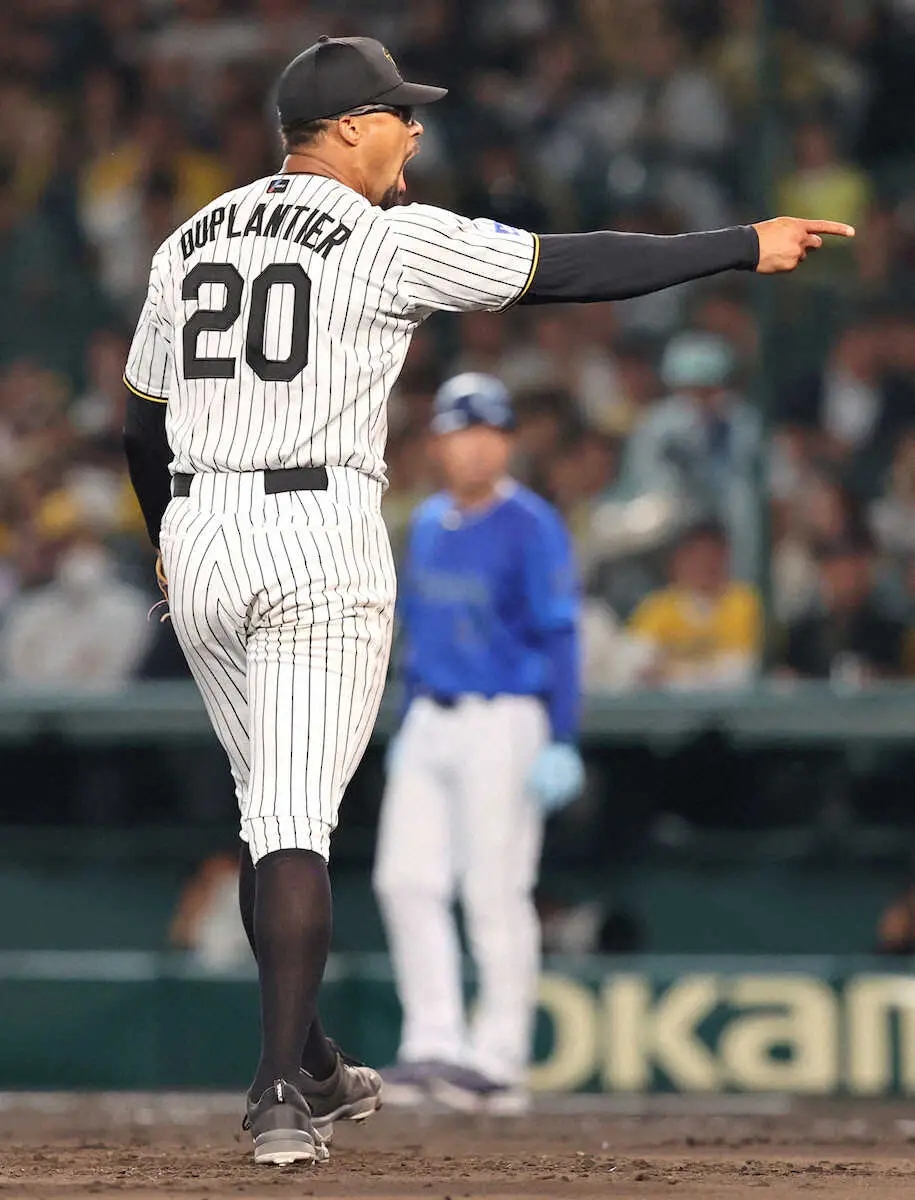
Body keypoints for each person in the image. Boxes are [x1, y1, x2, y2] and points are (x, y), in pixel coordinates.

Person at [121, 33, 854, 1165]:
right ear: (350, 128)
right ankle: (279, 1095)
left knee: (268, 812)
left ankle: (313, 1062)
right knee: (293, 823)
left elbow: (141, 418)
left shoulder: (188, 237)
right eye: (398, 115)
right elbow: (567, 266)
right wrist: (736, 246)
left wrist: (165, 538)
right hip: (315, 528)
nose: (414, 132)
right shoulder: (383, 237)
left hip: (199, 528)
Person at [373, 373, 582, 1114]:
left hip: (505, 717)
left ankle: (498, 1057)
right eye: (463, 432)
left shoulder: (531, 524)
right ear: (438, 443)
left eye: (490, 432)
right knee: (404, 880)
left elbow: (561, 635)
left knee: (494, 887)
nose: (476, 447)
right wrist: (407, 724)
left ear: (508, 442)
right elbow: (417, 636)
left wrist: (562, 735)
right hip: (432, 716)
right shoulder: (428, 523)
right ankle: (432, 1041)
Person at [627, 521, 763, 690]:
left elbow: (741, 670)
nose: (705, 564)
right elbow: (637, 665)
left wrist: (674, 672)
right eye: (696, 556)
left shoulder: (743, 603)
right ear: (678, 561)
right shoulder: (658, 607)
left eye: (713, 555)